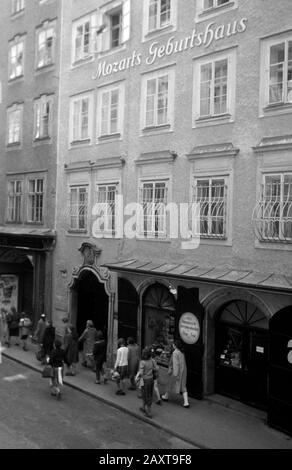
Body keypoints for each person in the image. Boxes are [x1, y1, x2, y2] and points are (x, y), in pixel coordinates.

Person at [161, 339, 190, 408]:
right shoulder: (181, 352)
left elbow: (176, 364)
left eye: (173, 344)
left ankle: (166, 396)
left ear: (175, 346)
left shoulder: (175, 353)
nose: (172, 345)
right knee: (183, 386)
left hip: (175, 371)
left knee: (170, 383)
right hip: (183, 371)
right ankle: (186, 402)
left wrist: (175, 374)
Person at [136, 347, 157, 419]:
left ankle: (149, 412)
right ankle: (143, 407)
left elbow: (141, 373)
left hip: (144, 380)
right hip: (150, 379)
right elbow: (156, 368)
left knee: (145, 394)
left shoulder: (142, 362)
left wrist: (138, 377)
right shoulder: (151, 361)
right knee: (148, 394)